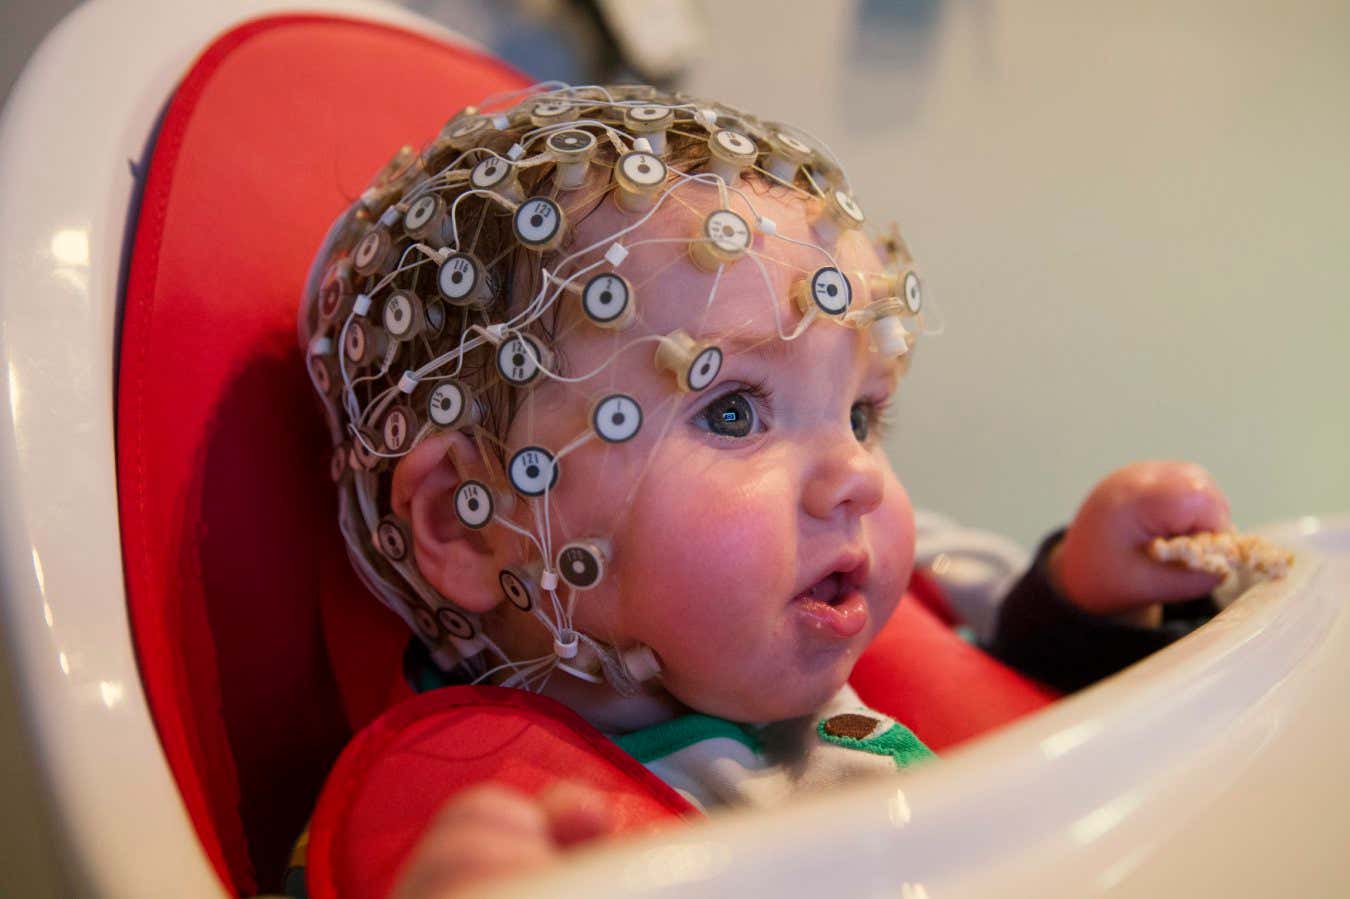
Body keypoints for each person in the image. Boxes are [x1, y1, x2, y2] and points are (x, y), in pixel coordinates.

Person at [296, 83, 1229, 898]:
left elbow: (1017, 711)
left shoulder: (824, 634)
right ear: (468, 526)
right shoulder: (486, 835)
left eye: (862, 415)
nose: (856, 476)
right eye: (734, 413)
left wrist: (1083, 606)